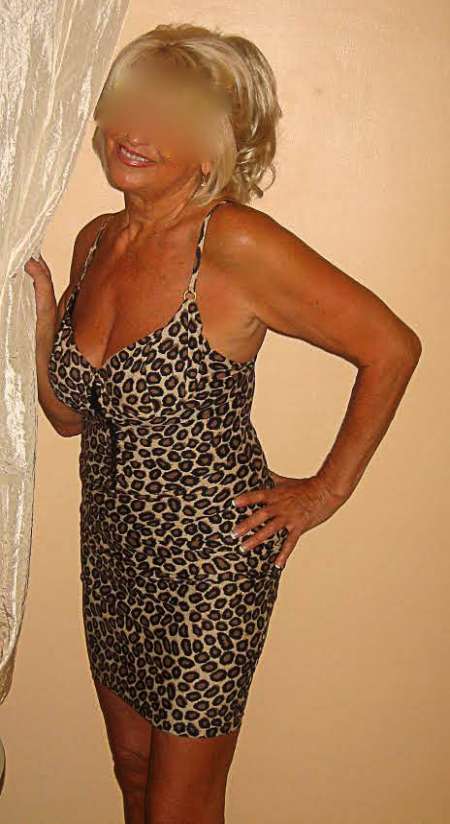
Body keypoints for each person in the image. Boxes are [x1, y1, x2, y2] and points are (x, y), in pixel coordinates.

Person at [25, 22, 421, 824]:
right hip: (112, 552)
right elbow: (69, 419)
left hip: (208, 562)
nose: (135, 130)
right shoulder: (95, 242)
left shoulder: (232, 241)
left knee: (181, 805)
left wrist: (323, 492)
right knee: (133, 772)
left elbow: (391, 347)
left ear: (213, 147)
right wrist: (43, 329)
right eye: (129, 104)